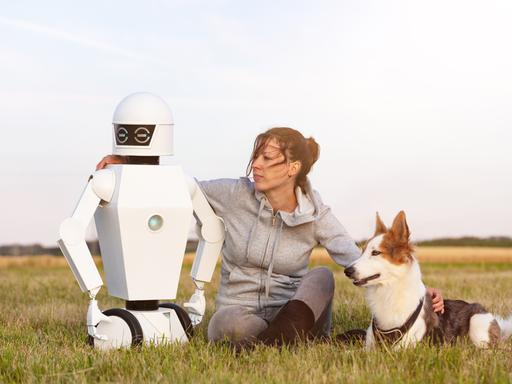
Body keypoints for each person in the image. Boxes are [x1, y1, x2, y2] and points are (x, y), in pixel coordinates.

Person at [96, 127, 444, 346]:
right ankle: (286, 343)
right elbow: (176, 187)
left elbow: (359, 262)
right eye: (256, 157)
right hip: (243, 313)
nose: (256, 165)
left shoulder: (315, 213)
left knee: (321, 277)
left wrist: (419, 291)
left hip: (298, 311)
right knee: (225, 325)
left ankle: (283, 339)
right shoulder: (234, 194)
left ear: (292, 169)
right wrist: (128, 163)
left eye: (267, 158)